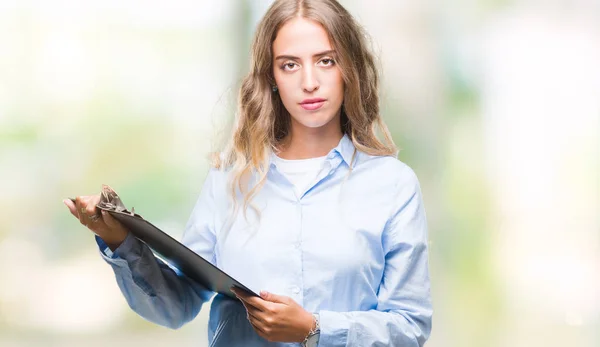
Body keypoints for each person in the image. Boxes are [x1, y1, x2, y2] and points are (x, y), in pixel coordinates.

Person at [64, 0, 432, 346]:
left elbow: (410, 326)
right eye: (289, 64)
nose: (309, 82)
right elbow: (176, 307)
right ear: (271, 76)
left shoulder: (392, 185)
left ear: (349, 68)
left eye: (326, 61)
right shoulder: (229, 180)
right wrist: (118, 240)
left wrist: (315, 329)